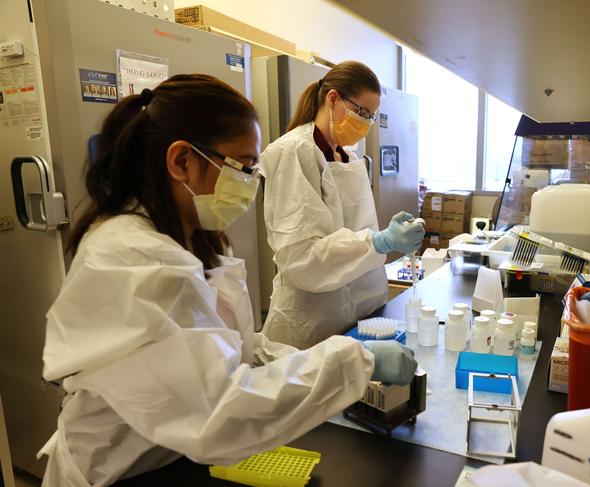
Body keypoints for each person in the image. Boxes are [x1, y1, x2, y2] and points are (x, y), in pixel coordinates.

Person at [38, 74, 417, 486]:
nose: (252, 183)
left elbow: (232, 346)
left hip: (164, 455)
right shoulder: (132, 259)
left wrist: (322, 359)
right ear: (182, 160)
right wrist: (351, 362)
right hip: (115, 471)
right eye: (243, 166)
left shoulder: (194, 237)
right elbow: (218, 417)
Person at [260, 61, 425, 349]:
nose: (364, 122)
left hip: (357, 314)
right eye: (361, 111)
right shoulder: (295, 152)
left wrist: (382, 237)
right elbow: (301, 258)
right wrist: (378, 242)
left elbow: (355, 229)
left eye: (370, 116)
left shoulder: (349, 157)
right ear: (333, 98)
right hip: (309, 323)